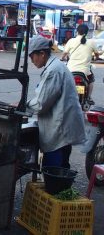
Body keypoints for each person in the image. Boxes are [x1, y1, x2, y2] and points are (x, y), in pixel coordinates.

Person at [26, 35, 86, 169]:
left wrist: (24, 105)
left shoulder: (54, 71)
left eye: (32, 56)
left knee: (54, 170)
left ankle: (55, 188)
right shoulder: (55, 66)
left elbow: (41, 104)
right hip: (63, 126)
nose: (32, 60)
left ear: (42, 54)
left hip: (59, 129)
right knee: (61, 167)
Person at [61, 24, 99, 103]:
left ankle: (62, 96)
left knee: (62, 79)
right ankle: (88, 97)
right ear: (87, 32)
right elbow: (96, 54)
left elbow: (64, 54)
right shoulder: (91, 42)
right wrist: (96, 58)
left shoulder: (71, 41)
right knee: (91, 80)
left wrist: (62, 58)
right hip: (85, 72)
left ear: (77, 31)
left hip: (71, 70)